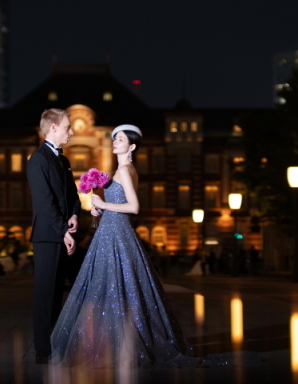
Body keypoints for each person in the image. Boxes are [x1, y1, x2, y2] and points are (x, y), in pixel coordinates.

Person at [50, 125, 193, 367]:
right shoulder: (121, 170)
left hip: (117, 233)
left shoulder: (126, 170)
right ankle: (119, 344)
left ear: (132, 146)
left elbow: (134, 207)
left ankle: (123, 346)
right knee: (117, 289)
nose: (115, 141)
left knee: (115, 289)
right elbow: (120, 203)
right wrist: (99, 206)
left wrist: (103, 206)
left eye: (121, 139)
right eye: (115, 138)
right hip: (110, 231)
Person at [27, 109, 81, 364]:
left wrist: (74, 215)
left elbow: (71, 196)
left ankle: (54, 341)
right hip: (48, 236)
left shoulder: (64, 161)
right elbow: (45, 202)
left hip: (63, 232)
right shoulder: (37, 160)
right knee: (45, 293)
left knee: (58, 291)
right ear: (53, 128)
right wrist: (62, 231)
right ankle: (42, 350)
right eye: (68, 127)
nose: (72, 131)